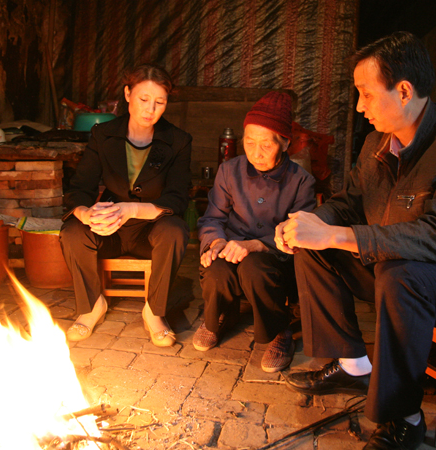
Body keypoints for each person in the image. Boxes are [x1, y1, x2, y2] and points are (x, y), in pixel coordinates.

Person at [275, 32, 436, 450]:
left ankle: (404, 418)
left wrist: (335, 233)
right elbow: (349, 203)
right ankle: (354, 366)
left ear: (404, 91)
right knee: (315, 248)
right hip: (396, 269)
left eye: (366, 94)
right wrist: (310, 223)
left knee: (400, 275)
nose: (359, 106)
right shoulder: (377, 143)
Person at [60, 63, 191, 347]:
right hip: (110, 231)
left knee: (175, 229)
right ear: (128, 94)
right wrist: (86, 214)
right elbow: (80, 188)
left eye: (160, 102)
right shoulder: (103, 134)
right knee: (72, 230)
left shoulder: (178, 141)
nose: (150, 109)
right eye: (144, 99)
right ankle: (92, 306)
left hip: (150, 232)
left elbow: (178, 197)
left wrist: (131, 209)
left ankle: (154, 312)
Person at [194, 92, 316, 372]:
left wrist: (256, 245)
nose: (256, 153)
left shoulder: (301, 181)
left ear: (285, 143)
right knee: (215, 268)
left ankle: (280, 330)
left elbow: (300, 232)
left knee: (255, 269)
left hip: (275, 256)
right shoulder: (229, 171)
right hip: (231, 246)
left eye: (266, 144)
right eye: (249, 143)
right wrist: (215, 242)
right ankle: (217, 318)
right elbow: (212, 217)